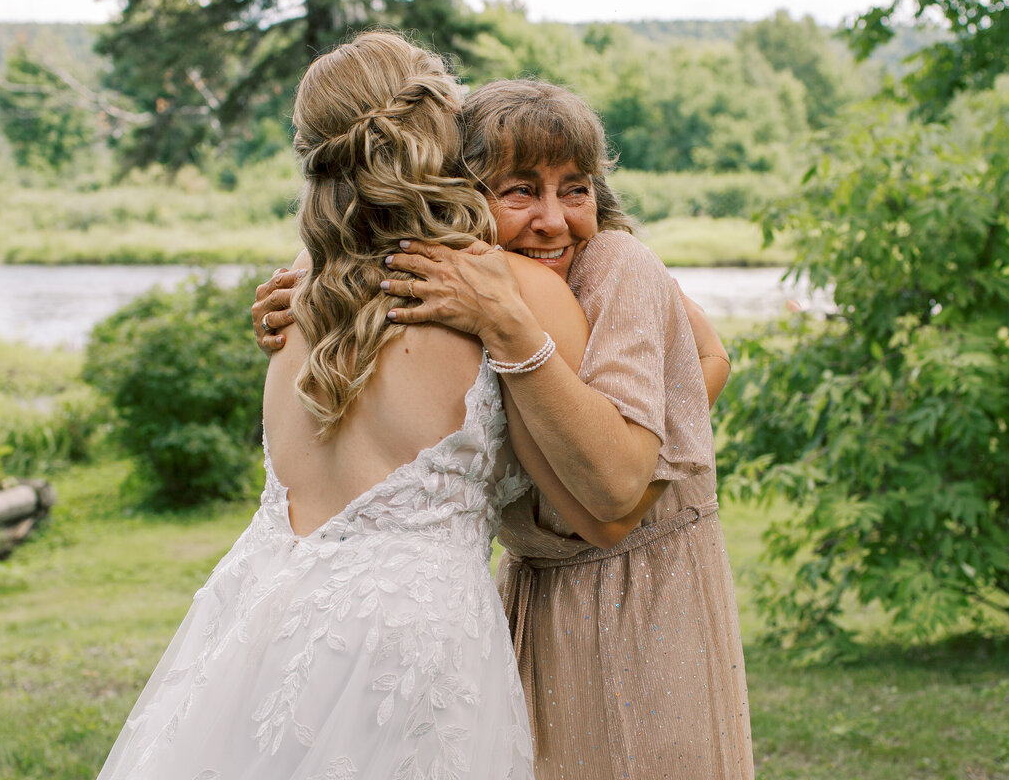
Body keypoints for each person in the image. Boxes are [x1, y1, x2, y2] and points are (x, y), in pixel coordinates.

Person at [98, 33, 592, 780]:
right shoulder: (513, 293)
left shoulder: (302, 290)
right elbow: (607, 460)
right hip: (414, 644)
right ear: (439, 132)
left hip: (259, 619)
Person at [255, 79, 755, 779]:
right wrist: (317, 289)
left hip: (642, 584)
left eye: (576, 189)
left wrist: (653, 443)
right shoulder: (478, 280)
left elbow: (709, 356)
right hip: (534, 580)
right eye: (519, 191)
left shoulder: (614, 264)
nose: (554, 220)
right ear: (461, 194)